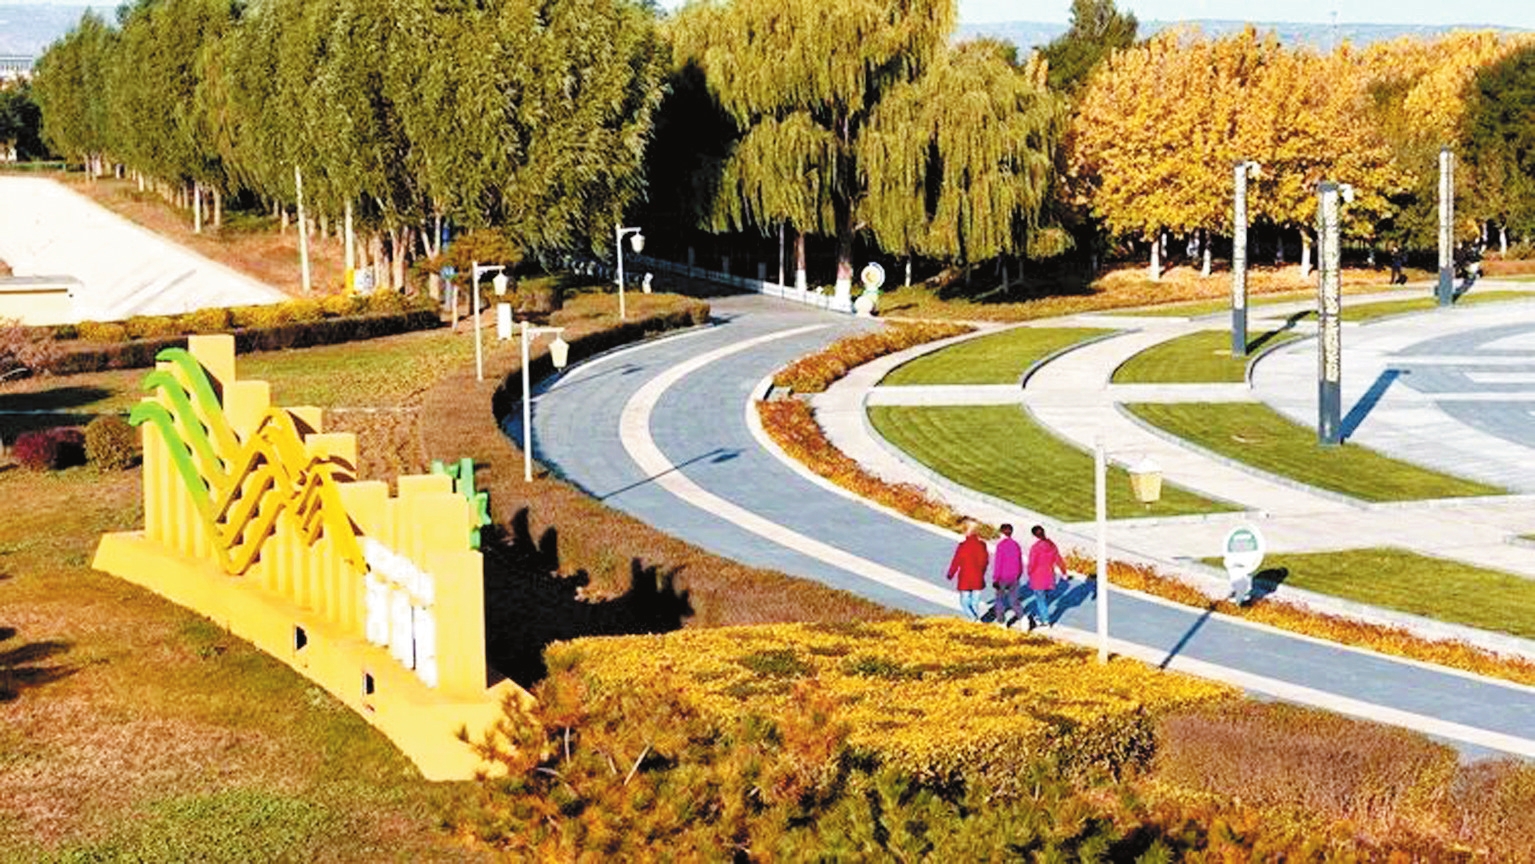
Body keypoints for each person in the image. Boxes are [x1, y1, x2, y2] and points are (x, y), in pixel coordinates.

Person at [1026, 525, 1068, 630]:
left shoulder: (1035, 548)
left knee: (1040, 599)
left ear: (1033, 535)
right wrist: (1064, 572)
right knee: (1044, 598)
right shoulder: (1051, 545)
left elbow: (1032, 564)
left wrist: (1029, 573)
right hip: (1049, 576)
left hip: (1037, 577)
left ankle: (1045, 621)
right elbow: (1058, 559)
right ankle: (1041, 616)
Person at [946, 522, 989, 622]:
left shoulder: (963, 546)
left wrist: (951, 573)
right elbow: (985, 561)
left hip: (965, 577)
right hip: (978, 578)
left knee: (964, 602)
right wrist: (982, 572)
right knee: (974, 602)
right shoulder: (982, 545)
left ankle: (973, 618)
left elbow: (956, 561)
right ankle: (976, 620)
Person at [991, 524, 1025, 628]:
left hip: (1003, 577)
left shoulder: (1001, 545)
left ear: (1001, 533)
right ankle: (1023, 618)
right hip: (1014, 577)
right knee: (1014, 600)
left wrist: (995, 579)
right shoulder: (1016, 545)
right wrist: (1018, 574)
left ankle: (1001, 621)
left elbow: (998, 563)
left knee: (1000, 600)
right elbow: (1020, 561)